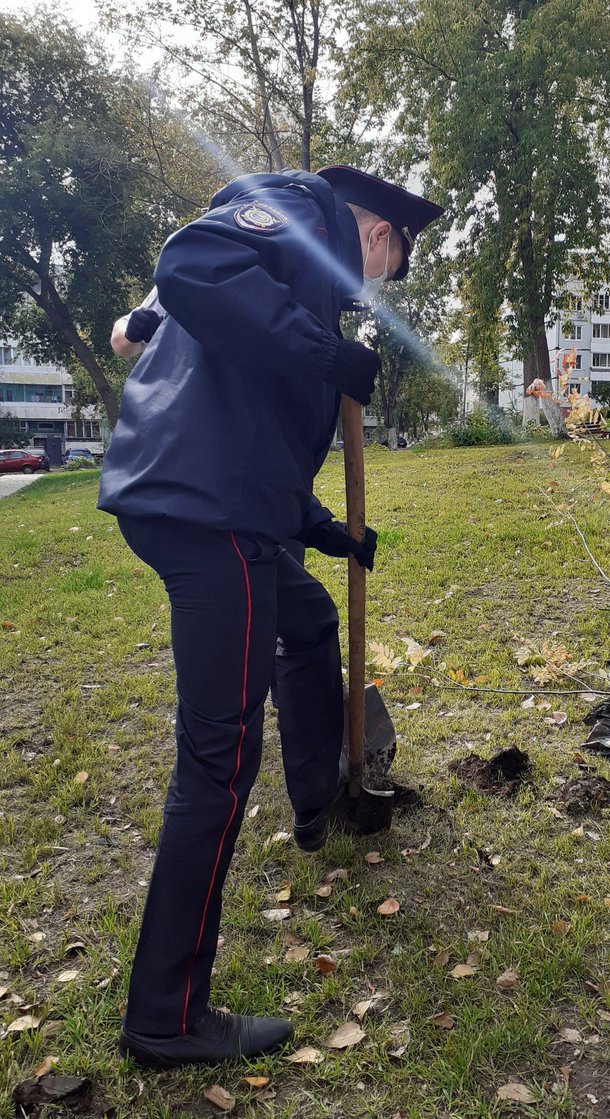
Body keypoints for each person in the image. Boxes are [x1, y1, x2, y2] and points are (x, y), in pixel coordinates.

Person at [97, 165, 444, 1068]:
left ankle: (317, 796)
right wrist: (322, 352)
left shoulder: (302, 269)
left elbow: (253, 427)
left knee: (312, 616)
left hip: (222, 502)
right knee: (216, 761)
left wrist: (329, 532)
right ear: (380, 234)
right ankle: (167, 1014)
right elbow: (194, 263)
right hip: (213, 522)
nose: (375, 282)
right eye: (390, 264)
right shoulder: (300, 219)